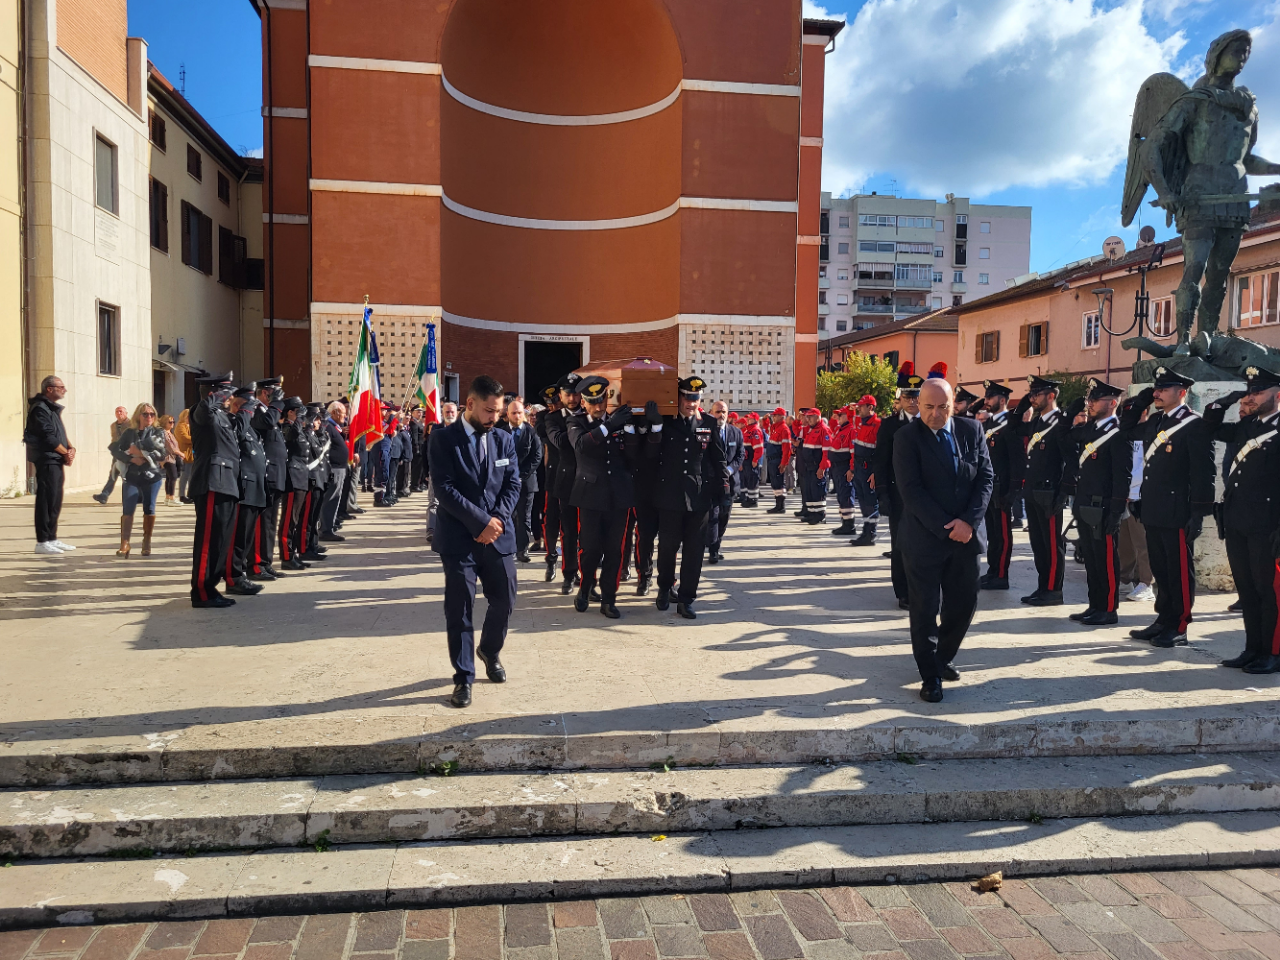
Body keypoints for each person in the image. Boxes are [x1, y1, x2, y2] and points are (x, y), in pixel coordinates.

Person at [893, 378, 993, 703]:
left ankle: (943, 656)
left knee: (964, 604)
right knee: (924, 607)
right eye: (929, 407)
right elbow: (912, 491)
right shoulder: (906, 437)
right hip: (925, 537)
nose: (936, 414)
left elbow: (986, 478)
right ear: (917, 405)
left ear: (954, 404)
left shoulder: (971, 430)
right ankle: (931, 674)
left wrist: (969, 522)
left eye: (943, 407)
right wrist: (947, 527)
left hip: (966, 536)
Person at [429, 375, 521, 709]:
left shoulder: (503, 438)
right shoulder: (442, 440)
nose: (494, 417)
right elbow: (445, 488)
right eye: (489, 411)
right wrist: (481, 522)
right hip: (459, 540)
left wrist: (496, 521)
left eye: (498, 411)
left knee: (505, 600)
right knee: (460, 609)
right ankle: (463, 677)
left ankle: (489, 651)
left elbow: (513, 482)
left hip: (497, 538)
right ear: (470, 404)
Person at [1119, 366, 1214, 648]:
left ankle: (1180, 624)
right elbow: (1125, 430)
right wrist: (1143, 400)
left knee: (1179, 570)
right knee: (1160, 566)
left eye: (1163, 389)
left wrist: (1198, 513)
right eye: (1156, 389)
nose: (1158, 393)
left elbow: (1203, 473)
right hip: (1153, 506)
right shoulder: (1157, 420)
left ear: (1182, 393)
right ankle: (1163, 619)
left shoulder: (1194, 424)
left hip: (1177, 510)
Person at [1204, 366, 1280, 671]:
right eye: (1250, 391)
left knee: (1269, 591)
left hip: (1268, 525)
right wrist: (1226, 400)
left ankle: (1273, 653)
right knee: (1247, 590)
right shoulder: (1248, 426)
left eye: (1258, 391)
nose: (1252, 397)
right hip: (1238, 521)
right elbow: (1211, 427)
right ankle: (1253, 648)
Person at [650, 376, 726, 619]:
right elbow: (651, 454)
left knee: (694, 551)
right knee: (668, 547)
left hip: (699, 497)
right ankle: (664, 587)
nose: (691, 403)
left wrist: (723, 486)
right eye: (687, 397)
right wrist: (653, 427)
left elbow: (718, 457)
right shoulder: (667, 421)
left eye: (696, 398)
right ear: (679, 397)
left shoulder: (709, 423)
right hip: (670, 495)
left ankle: (686, 599)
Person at [567, 376, 637, 618]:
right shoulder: (575, 422)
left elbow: (633, 456)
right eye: (592, 402)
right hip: (590, 495)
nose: (598, 407)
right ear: (584, 403)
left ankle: (609, 597)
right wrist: (610, 425)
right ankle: (586, 586)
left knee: (615, 550)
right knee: (590, 549)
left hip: (619, 495)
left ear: (607, 398)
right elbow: (583, 446)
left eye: (601, 401)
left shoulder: (619, 421)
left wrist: (635, 429)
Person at [1063, 379, 1131, 626]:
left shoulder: (1118, 433)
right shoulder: (1090, 429)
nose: (1090, 404)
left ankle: (1109, 608)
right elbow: (1063, 437)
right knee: (1090, 557)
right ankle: (1095, 604)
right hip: (1084, 504)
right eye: (1089, 400)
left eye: (1095, 400)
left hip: (1104, 507)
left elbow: (1122, 476)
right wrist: (1071, 412)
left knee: (1106, 559)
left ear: (1112, 403)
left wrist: (1116, 511)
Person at [189, 373, 242, 608]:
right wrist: (212, 398)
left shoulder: (222, 415)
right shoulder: (200, 412)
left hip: (227, 482)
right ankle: (202, 591)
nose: (229, 397)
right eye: (225, 392)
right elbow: (203, 411)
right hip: (212, 481)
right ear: (213, 393)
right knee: (208, 539)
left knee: (221, 539)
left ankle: (211, 587)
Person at [1015, 375, 1069, 606]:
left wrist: (1063, 493)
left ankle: (1054, 590)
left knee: (1052, 544)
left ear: (1051, 395)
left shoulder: (1061, 422)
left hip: (1050, 493)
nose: (1032, 398)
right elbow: (1014, 426)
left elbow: (1071, 462)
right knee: (1038, 543)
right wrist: (1024, 404)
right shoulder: (1038, 422)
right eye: (1031, 394)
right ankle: (1042, 586)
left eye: (1036, 394)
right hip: (1033, 492)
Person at [874, 366, 924, 609]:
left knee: (925, 544)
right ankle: (903, 591)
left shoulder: (931, 422)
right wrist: (882, 493)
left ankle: (923, 589)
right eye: (908, 397)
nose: (913, 402)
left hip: (927, 494)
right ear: (900, 399)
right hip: (898, 494)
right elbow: (880, 461)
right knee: (901, 543)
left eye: (917, 397)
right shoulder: (889, 425)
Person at [108, 402, 167, 558]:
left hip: (152, 476)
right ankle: (124, 544)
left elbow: (162, 454)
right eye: (145, 414)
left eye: (152, 414)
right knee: (127, 509)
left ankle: (146, 541)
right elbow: (114, 449)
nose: (149, 417)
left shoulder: (158, 432)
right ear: (138, 416)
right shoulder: (129, 433)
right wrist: (131, 459)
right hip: (132, 476)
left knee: (149, 508)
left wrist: (139, 453)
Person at [24, 376, 76, 554]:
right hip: (46, 459)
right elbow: (49, 437)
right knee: (46, 500)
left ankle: (52, 537)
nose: (64, 390)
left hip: (56, 459)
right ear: (49, 389)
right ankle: (42, 541)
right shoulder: (39, 409)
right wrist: (65, 452)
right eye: (61, 387)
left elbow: (60, 433)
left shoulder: (51, 408)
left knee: (55, 499)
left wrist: (70, 449)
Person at [224, 386, 267, 595]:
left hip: (255, 487)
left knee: (247, 536)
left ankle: (240, 574)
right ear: (237, 405)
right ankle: (234, 577)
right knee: (239, 537)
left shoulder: (249, 427)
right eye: (249, 405)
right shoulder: (233, 423)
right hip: (243, 487)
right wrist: (243, 413)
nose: (253, 410)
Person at [978, 380, 1021, 590]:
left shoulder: (1009, 425)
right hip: (989, 489)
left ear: (1002, 400)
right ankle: (993, 570)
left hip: (1003, 488)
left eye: (990, 397)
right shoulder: (988, 425)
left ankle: (1002, 575)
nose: (986, 401)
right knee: (993, 533)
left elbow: (1016, 460)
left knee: (1003, 535)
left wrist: (1013, 490)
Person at [544, 373, 584, 594]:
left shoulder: (591, 415)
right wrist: (579, 426)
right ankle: (569, 574)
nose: (573, 398)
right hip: (566, 481)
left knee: (589, 532)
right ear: (560, 395)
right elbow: (559, 442)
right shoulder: (553, 418)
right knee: (568, 531)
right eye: (568, 394)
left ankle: (586, 575)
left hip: (591, 481)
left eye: (577, 393)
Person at [251, 378, 288, 581]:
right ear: (266, 393)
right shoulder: (257, 410)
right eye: (275, 394)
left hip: (276, 475)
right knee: (262, 523)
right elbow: (266, 424)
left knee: (271, 522)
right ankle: (256, 564)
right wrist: (276, 404)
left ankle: (266, 562)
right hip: (265, 475)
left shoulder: (268, 412)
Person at [501, 397, 542, 562]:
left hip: (526, 482)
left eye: (519, 413)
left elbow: (537, 456)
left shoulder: (531, 432)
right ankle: (508, 547)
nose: (517, 416)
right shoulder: (500, 432)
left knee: (524, 517)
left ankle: (522, 550)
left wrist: (521, 475)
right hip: (505, 482)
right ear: (508, 414)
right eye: (513, 413)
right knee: (507, 515)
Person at [1119, 430, 1156, 603]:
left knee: (1142, 543)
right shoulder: (1125, 435)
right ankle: (1125, 579)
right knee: (1124, 543)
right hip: (1123, 496)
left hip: (1140, 498)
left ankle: (1146, 583)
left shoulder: (1151, 436)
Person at [707, 400, 744, 564]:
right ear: (711, 413)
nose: (721, 415)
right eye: (717, 412)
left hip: (730, 483)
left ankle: (717, 544)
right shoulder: (705, 431)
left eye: (723, 412)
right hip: (712, 482)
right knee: (713, 516)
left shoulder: (736, 432)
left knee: (724, 516)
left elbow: (740, 455)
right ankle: (713, 549)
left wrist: (729, 470)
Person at [279, 397, 311, 571]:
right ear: (290, 412)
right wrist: (297, 421)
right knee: (289, 520)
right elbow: (291, 437)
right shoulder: (286, 427)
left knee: (296, 519)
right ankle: (286, 556)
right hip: (292, 477)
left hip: (301, 476)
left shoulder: (297, 427)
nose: (302, 415)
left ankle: (294, 554)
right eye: (298, 411)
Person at [848, 396, 881, 547]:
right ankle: (866, 532)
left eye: (862, 406)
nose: (859, 409)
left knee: (870, 501)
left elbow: (882, 452)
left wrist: (876, 472)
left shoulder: (878, 425)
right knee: (861, 500)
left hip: (870, 469)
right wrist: (852, 468)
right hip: (859, 467)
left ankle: (871, 533)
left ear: (870, 408)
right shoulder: (860, 424)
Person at [794, 408, 832, 524]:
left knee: (818, 491)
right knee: (810, 491)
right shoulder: (810, 430)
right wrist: (798, 420)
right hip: (809, 466)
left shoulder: (824, 430)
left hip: (817, 467)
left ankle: (820, 515)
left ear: (818, 417)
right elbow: (797, 430)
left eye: (811, 417)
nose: (808, 419)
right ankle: (812, 513)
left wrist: (822, 467)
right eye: (807, 417)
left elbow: (827, 452)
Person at [321, 401, 350, 542]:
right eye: (343, 414)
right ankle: (326, 529)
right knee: (330, 499)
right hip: (333, 468)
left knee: (335, 499)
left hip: (339, 467)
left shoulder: (335, 426)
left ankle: (329, 526)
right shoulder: (328, 426)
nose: (345, 417)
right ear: (334, 413)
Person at [92, 406, 130, 504]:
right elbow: (114, 439)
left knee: (127, 476)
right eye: (117, 411)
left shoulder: (131, 424)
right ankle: (104, 495)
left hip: (128, 454)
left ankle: (131, 497)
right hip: (117, 454)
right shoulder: (113, 425)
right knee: (113, 474)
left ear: (126, 413)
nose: (119, 413)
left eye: (121, 411)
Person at [828, 407, 856, 536]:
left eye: (841, 415)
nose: (838, 417)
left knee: (846, 495)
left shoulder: (851, 430)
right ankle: (844, 522)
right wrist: (835, 418)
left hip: (845, 467)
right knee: (841, 496)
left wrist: (852, 469)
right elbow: (832, 427)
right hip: (837, 467)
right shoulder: (840, 429)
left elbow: (853, 452)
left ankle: (849, 525)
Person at [764, 407, 793, 513]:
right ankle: (778, 505)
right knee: (775, 483)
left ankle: (781, 506)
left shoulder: (784, 429)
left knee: (779, 483)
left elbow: (787, 449)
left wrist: (784, 463)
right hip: (772, 460)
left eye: (775, 415)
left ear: (781, 416)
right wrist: (765, 420)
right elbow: (767, 427)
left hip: (777, 460)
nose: (773, 417)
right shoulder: (775, 428)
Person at [738, 413, 764, 509]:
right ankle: (749, 498)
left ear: (754, 419)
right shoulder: (748, 430)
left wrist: (755, 459)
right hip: (746, 459)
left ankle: (753, 500)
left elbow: (758, 447)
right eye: (748, 418)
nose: (748, 420)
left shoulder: (755, 431)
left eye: (750, 418)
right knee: (748, 479)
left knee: (752, 479)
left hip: (751, 459)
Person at [159, 415, 182, 507]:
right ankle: (171, 498)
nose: (172, 424)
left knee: (169, 477)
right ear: (164, 423)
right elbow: (170, 447)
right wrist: (180, 453)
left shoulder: (170, 433)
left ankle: (168, 497)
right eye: (170, 422)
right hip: (167, 458)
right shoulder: (164, 433)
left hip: (172, 457)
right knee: (173, 477)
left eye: (173, 421)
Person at [175, 408, 195, 502]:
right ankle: (182, 495)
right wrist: (196, 438)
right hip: (185, 453)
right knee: (185, 475)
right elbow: (185, 438)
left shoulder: (190, 425)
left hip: (192, 453)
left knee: (191, 475)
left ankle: (190, 494)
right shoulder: (180, 426)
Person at [409, 406, 427, 493]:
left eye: (421, 412)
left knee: (420, 468)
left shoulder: (419, 423)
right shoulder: (413, 423)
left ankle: (418, 483)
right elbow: (415, 437)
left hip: (422, 447)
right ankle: (414, 485)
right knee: (416, 468)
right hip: (418, 448)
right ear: (413, 413)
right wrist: (416, 449)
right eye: (418, 412)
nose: (420, 414)